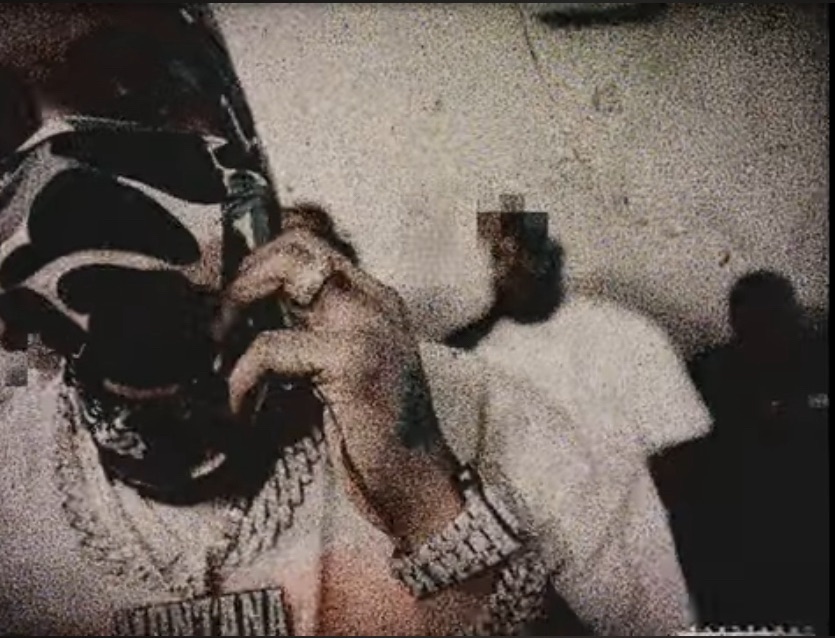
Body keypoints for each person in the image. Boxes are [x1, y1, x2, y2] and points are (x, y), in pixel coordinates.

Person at [0, 5, 694, 635]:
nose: (67, 185)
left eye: (134, 93)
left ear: (245, 132)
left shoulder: (504, 427)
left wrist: (429, 508)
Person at [448, 210, 712, 624]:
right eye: (502, 258)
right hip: (535, 576)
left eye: (529, 255)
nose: (516, 269)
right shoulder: (474, 358)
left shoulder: (626, 333)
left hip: (637, 561)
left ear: (554, 257)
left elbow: (684, 447)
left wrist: (616, 521)